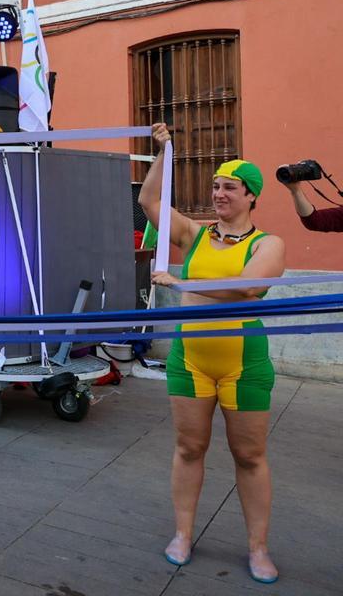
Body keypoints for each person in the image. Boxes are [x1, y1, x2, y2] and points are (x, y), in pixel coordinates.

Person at [140, 123, 285, 584]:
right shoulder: (196, 234)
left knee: (249, 455)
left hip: (243, 362)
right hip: (191, 358)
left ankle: (258, 548)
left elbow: (248, 287)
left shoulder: (269, 244)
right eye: (216, 186)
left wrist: (181, 284)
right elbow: (149, 202)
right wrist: (164, 152)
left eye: (230, 188)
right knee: (189, 447)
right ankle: (183, 534)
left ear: (251, 196)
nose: (220, 194)